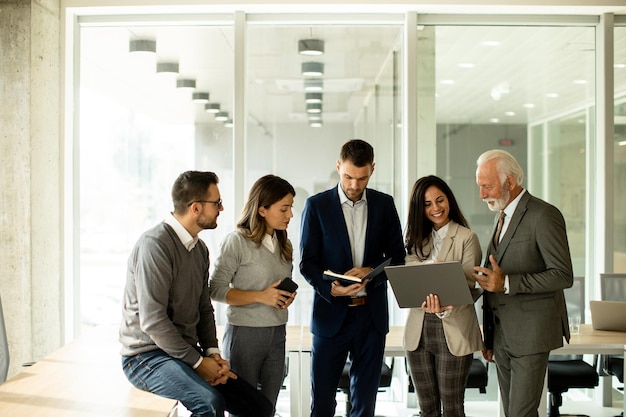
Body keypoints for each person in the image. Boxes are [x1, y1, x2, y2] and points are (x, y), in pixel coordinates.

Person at [119, 170, 273, 417]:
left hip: (183, 353)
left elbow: (204, 308)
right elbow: (153, 322)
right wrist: (200, 364)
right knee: (210, 403)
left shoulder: (199, 249)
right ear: (196, 208)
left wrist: (212, 353)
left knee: (260, 408)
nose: (221, 209)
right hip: (145, 357)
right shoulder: (155, 246)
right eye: (217, 203)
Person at [299, 139, 405, 417]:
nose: (354, 185)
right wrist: (330, 289)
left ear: (372, 169)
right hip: (330, 316)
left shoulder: (384, 205)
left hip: (371, 318)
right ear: (338, 167)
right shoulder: (316, 206)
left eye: (362, 178)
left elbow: (397, 257)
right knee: (322, 403)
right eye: (348, 176)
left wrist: (371, 272)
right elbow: (307, 263)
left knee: (365, 405)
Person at [472, 150, 573, 417]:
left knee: (520, 414)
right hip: (502, 335)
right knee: (512, 413)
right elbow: (493, 279)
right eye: (480, 186)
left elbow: (563, 275)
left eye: (487, 186)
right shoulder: (500, 216)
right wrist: (489, 336)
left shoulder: (544, 215)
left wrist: (507, 283)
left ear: (510, 182)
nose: (482, 195)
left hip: (531, 335)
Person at [209, 174, 297, 411]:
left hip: (277, 334)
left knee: (268, 408)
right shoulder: (236, 242)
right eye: (284, 209)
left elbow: (276, 286)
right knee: (245, 410)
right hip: (245, 336)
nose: (290, 215)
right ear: (262, 210)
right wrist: (261, 296)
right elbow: (215, 289)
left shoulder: (284, 244)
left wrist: (284, 298)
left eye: (291, 208)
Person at [403, 175, 483, 417]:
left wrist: (445, 303)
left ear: (449, 200)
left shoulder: (467, 238)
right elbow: (409, 280)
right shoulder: (415, 240)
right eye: (428, 204)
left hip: (454, 329)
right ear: (420, 208)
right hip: (419, 330)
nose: (436, 208)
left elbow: (469, 285)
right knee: (426, 409)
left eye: (440, 200)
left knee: (452, 408)